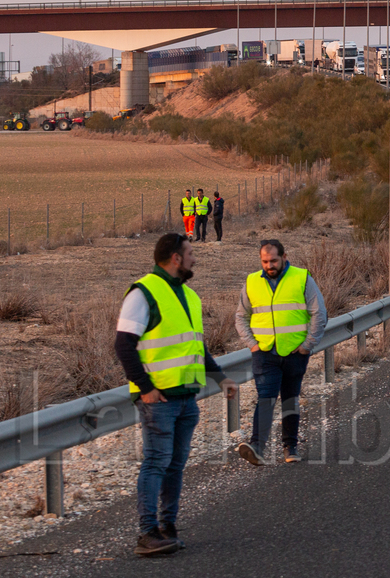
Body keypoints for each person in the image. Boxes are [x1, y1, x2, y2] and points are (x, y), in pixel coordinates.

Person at [114, 233, 237, 556]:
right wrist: (146, 388)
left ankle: (167, 527)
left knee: (175, 465)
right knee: (156, 462)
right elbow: (123, 345)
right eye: (191, 253)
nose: (195, 258)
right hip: (159, 400)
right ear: (175, 258)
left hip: (186, 398)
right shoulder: (143, 293)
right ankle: (147, 533)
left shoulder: (189, 297)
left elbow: (197, 348)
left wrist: (221, 379)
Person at [235, 239, 328, 467]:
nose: (269, 265)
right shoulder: (252, 282)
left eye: (273, 260)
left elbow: (319, 313)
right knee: (266, 397)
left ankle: (290, 445)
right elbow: (241, 317)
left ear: (284, 257)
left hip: (295, 352)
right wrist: (252, 344)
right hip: (265, 353)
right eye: (265, 261)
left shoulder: (301, 278)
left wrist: (307, 345)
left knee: (290, 399)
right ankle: (257, 447)